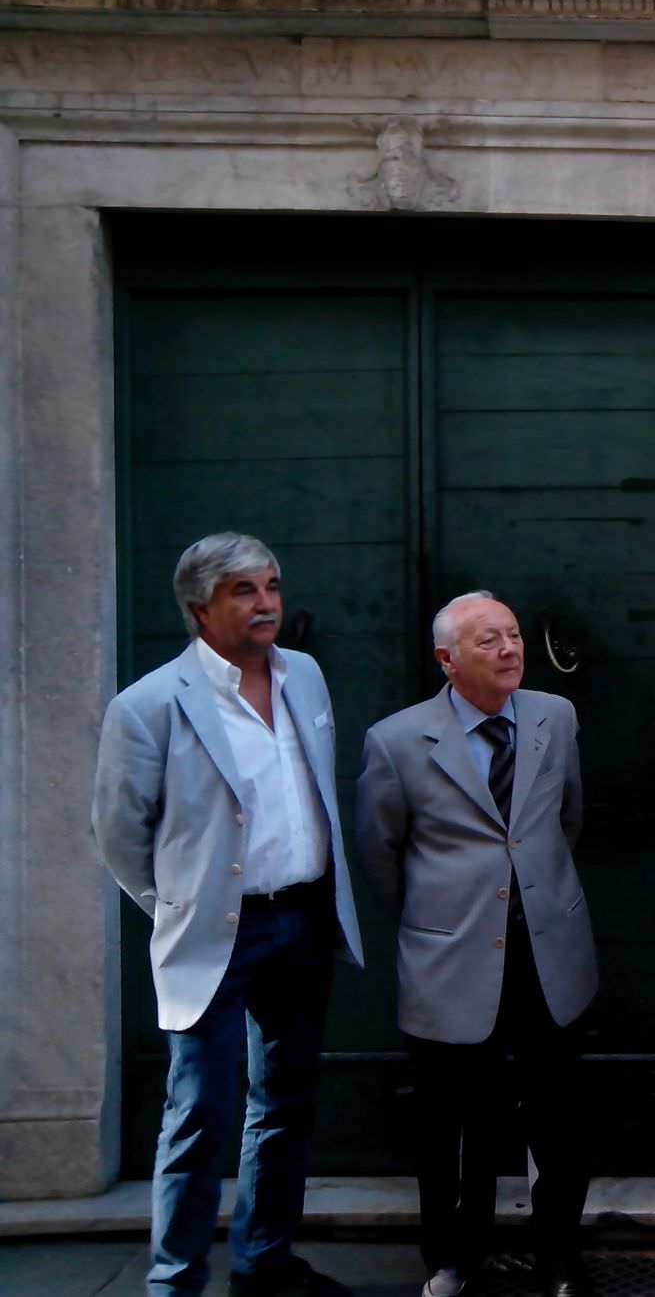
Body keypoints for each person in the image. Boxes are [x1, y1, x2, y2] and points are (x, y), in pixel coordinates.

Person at [92, 532, 366, 1297]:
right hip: (215, 932)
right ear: (199, 607)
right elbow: (119, 836)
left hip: (304, 919)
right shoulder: (148, 706)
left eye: (271, 585)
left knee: (284, 1099)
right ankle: (174, 1280)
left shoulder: (304, 677)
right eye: (244, 590)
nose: (266, 602)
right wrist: (180, 907)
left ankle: (263, 1261)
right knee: (199, 1113)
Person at [354, 592, 598, 1297]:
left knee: (557, 1116)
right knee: (456, 1124)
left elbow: (566, 818)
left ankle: (558, 1257)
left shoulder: (556, 717)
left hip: (547, 949)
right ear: (447, 659)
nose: (510, 650)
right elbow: (380, 851)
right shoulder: (397, 740)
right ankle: (455, 1257)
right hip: (449, 955)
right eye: (488, 641)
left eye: (514, 636)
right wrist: (439, 919)